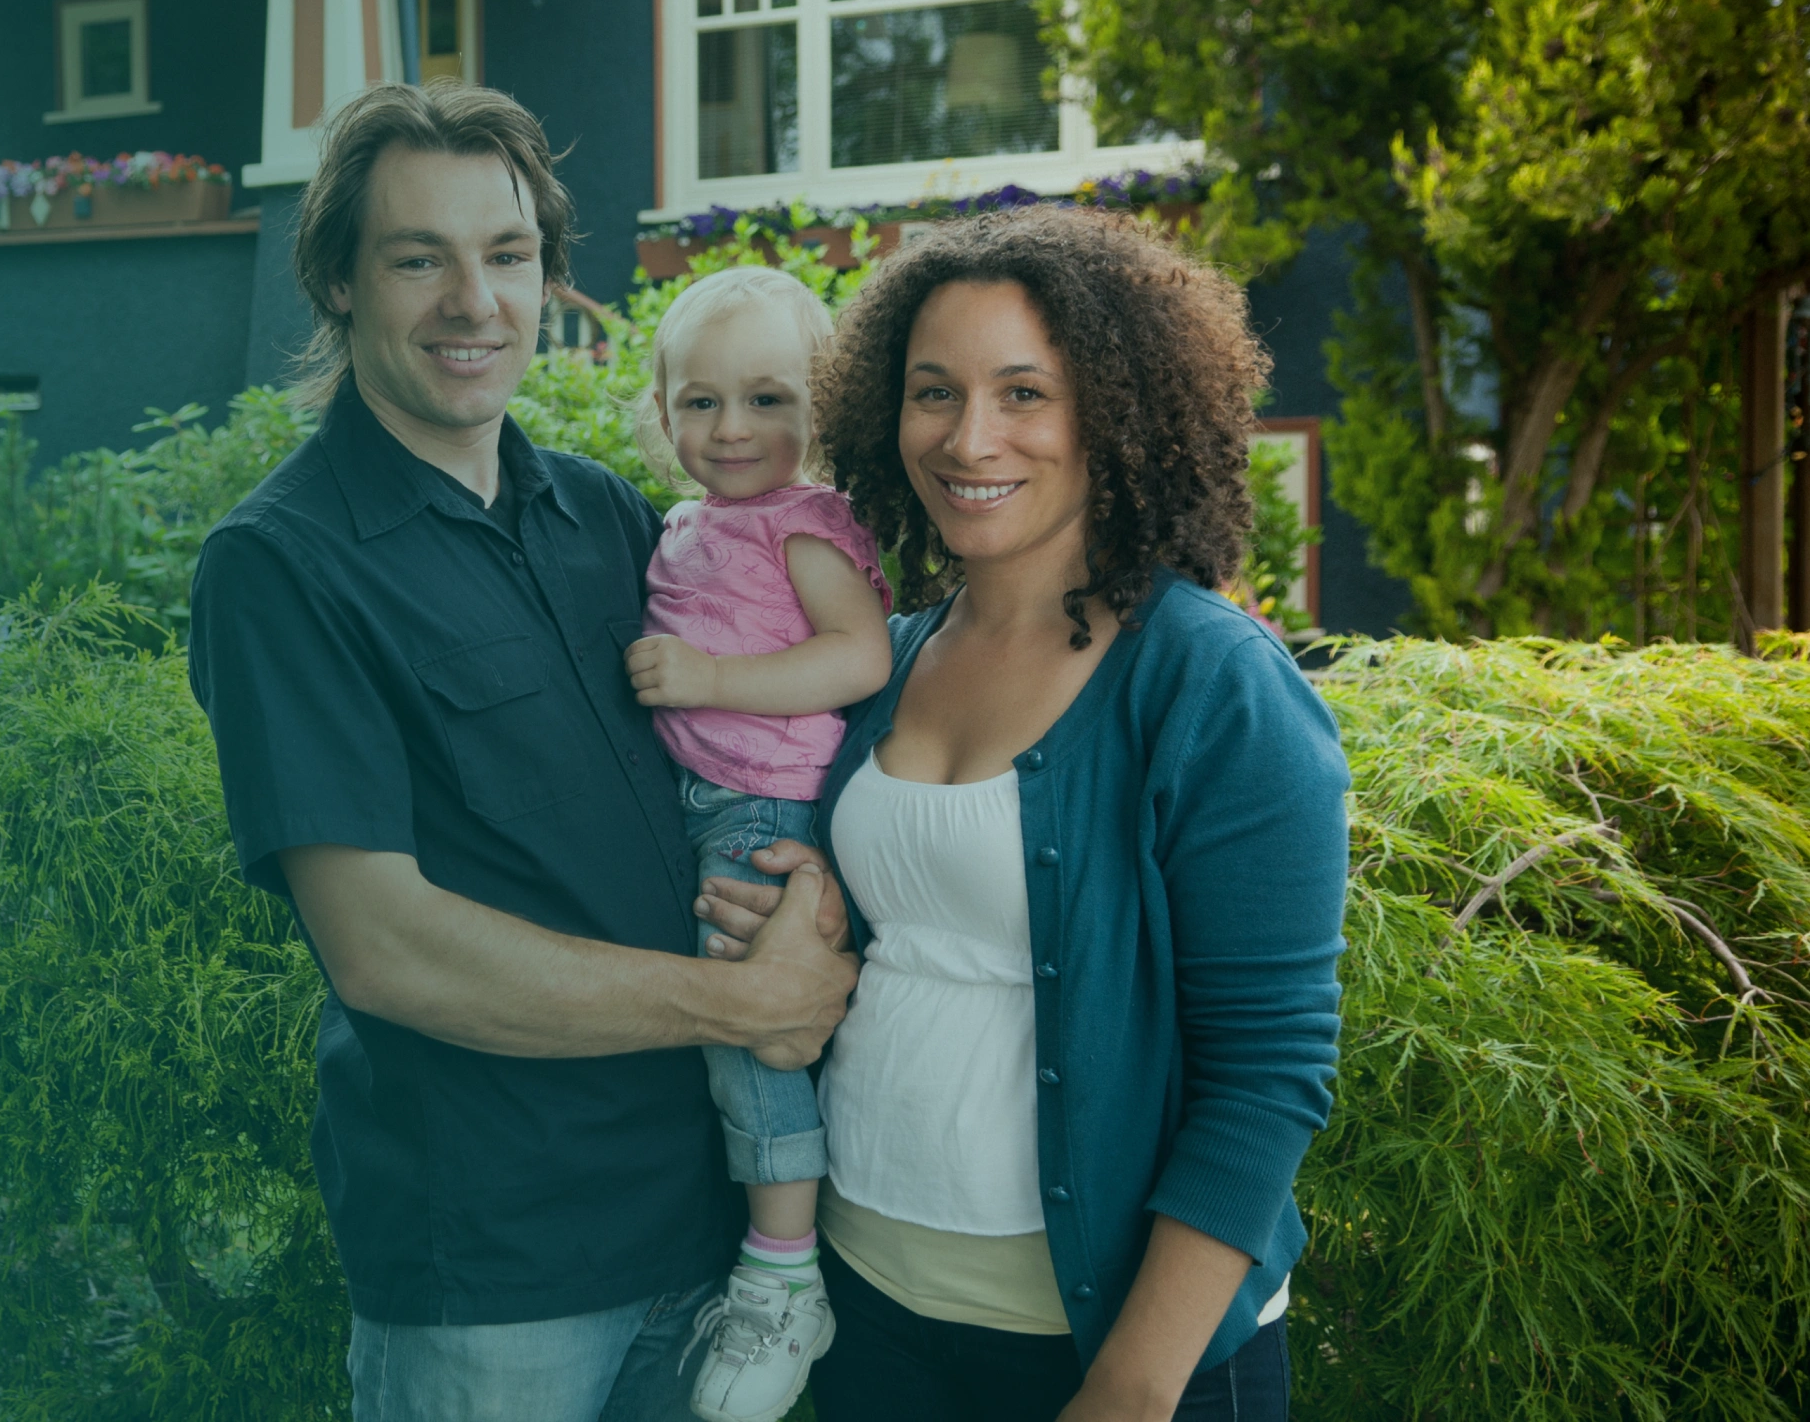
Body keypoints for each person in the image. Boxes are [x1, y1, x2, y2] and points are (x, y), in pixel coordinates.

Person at [186, 78, 859, 1422]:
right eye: (415, 257)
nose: (470, 302)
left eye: (504, 256)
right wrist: (742, 1005)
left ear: (547, 279)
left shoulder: (610, 521)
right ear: (334, 280)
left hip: (714, 1235)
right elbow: (386, 949)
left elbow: (758, 751)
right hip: (500, 1279)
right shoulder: (283, 568)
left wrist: (812, 886)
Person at [697, 205, 1349, 1422]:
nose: (969, 436)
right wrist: (796, 937)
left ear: (1115, 407)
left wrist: (1131, 1389)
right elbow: (891, 941)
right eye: (932, 391)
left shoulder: (1208, 683)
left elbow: (1266, 1074)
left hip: (1110, 1353)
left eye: (1024, 393)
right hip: (870, 1313)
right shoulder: (877, 661)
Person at [618, 266, 894, 1421]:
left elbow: (858, 657)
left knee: (750, 1037)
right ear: (664, 404)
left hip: (764, 810)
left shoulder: (805, 524)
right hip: (707, 802)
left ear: (820, 409)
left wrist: (713, 677)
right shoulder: (690, 519)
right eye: (700, 402)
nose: (731, 430)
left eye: (769, 400)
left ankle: (784, 1274)